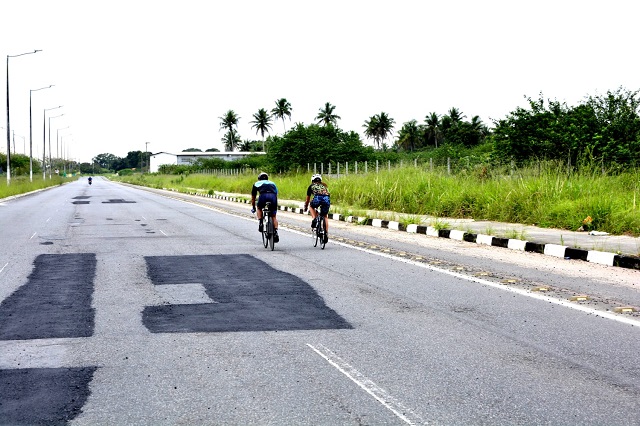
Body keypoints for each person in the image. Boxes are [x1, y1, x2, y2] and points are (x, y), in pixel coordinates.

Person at [250, 172, 279, 243]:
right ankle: (275, 232)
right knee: (274, 216)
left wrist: (253, 207)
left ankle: (260, 222)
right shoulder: (272, 183)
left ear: (259, 179)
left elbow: (253, 198)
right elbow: (276, 193)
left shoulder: (256, 183)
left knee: (259, 208)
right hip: (273, 197)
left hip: (263, 196)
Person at [304, 174, 330, 242]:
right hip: (326, 199)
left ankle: (314, 218)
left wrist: (306, 207)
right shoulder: (324, 186)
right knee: (325, 216)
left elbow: (307, 200)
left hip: (317, 198)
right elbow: (327, 194)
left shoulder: (311, 186)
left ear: (312, 181)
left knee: (311, 206)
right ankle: (326, 233)